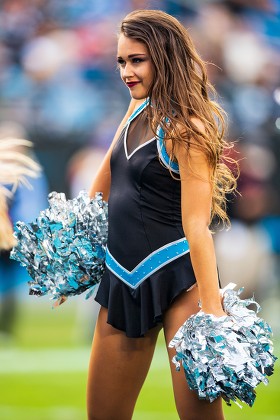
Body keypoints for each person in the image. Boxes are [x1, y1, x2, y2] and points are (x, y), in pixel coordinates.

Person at [87, 9, 237, 420]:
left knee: (199, 418)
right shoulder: (134, 112)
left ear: (164, 57)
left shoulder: (188, 128)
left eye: (137, 60)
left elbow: (196, 225)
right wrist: (73, 248)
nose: (126, 72)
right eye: (121, 61)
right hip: (122, 275)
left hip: (178, 278)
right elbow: (98, 190)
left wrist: (214, 312)